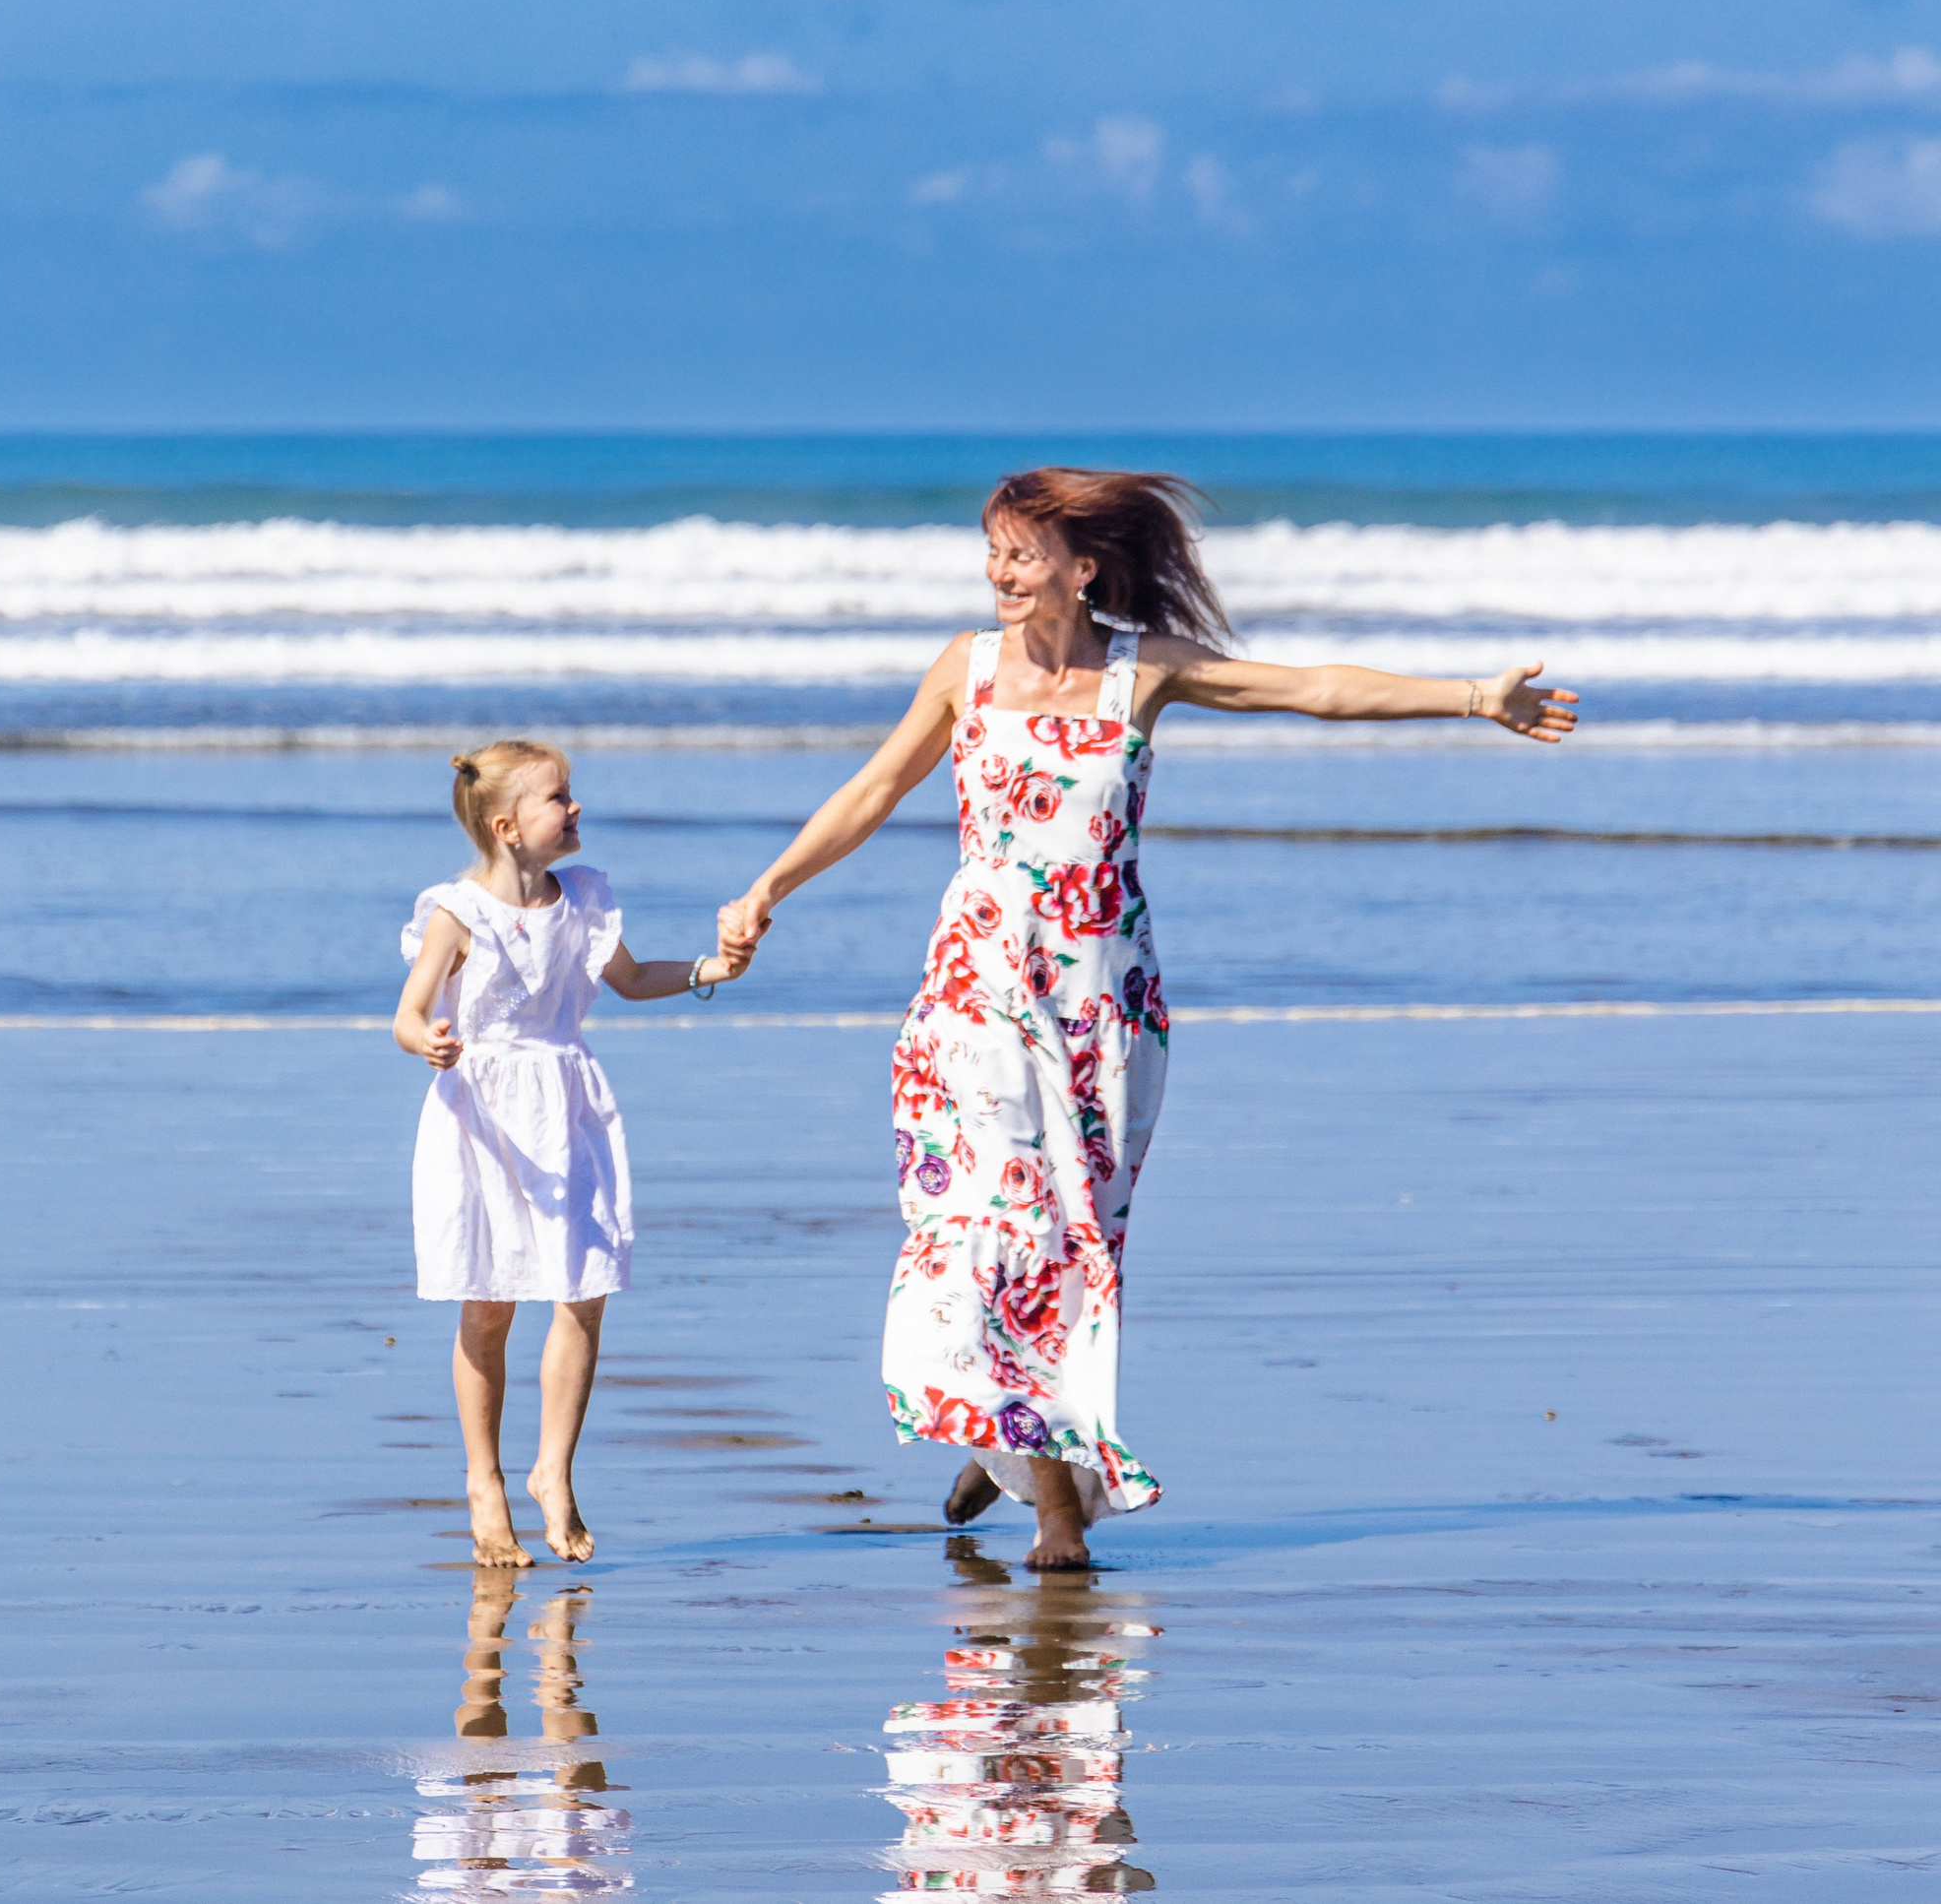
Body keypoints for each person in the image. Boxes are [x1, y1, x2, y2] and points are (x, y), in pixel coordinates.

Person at [718, 470, 1577, 1569]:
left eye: (1023, 555)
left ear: (1081, 568)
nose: (1000, 573)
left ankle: (1013, 1431)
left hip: (1103, 998)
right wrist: (766, 888)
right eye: (991, 551)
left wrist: (1470, 696)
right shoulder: (962, 669)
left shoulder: (1143, 670)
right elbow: (873, 790)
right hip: (976, 988)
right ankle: (1057, 1506)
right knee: (993, 1218)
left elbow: (1308, 688)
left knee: (1078, 1234)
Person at [396, 739, 751, 1567]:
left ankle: (552, 1471)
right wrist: (430, 1041)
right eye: (559, 798)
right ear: (507, 826)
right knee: (488, 1304)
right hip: (481, 1114)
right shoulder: (458, 911)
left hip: (566, 1103)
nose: (575, 808)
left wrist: (710, 968)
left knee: (580, 1290)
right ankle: (484, 1483)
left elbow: (628, 978)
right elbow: (408, 1012)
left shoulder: (584, 897)